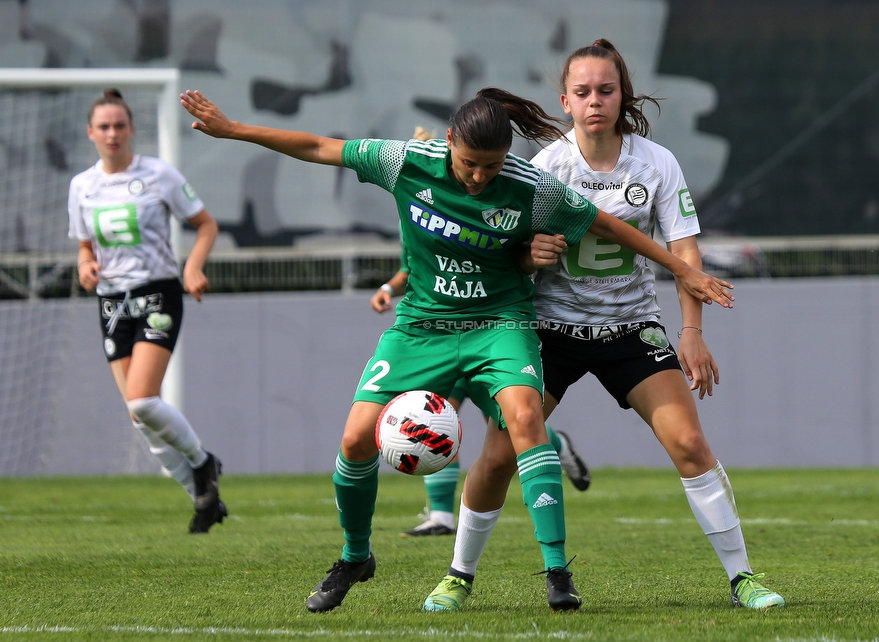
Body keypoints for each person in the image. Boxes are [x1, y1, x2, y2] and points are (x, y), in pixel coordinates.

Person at [180, 86, 734, 613]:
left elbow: (610, 226)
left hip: (501, 324)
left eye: (491, 167)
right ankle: (354, 558)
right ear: (448, 140)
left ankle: (557, 572)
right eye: (470, 163)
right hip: (422, 327)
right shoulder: (406, 162)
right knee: (354, 439)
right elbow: (321, 147)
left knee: (525, 419)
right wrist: (233, 130)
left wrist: (683, 270)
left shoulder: (531, 188)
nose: (478, 176)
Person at [425, 39, 785, 613]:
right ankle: (457, 576)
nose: (596, 101)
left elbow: (683, 251)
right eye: (584, 92)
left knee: (690, 444)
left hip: (631, 328)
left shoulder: (657, 163)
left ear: (623, 97)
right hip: (549, 331)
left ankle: (743, 578)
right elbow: (508, 249)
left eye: (607, 90)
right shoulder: (544, 168)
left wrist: (691, 332)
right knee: (497, 457)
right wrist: (529, 253)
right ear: (565, 101)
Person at [68, 89, 226, 534]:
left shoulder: (159, 175)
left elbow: (206, 224)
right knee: (139, 415)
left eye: (119, 125)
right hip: (111, 301)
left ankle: (202, 463)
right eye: (104, 126)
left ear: (131, 129)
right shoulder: (81, 186)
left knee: (142, 397)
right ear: (91, 133)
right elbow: (84, 243)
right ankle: (204, 498)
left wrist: (192, 267)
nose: (112, 133)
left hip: (157, 293)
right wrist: (85, 265)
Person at [371, 267, 590, 537]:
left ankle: (557, 443)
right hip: (443, 337)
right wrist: (388, 288)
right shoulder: (429, 226)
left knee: (507, 426)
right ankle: (440, 515)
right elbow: (414, 267)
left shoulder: (490, 229)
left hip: (490, 336)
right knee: (429, 419)